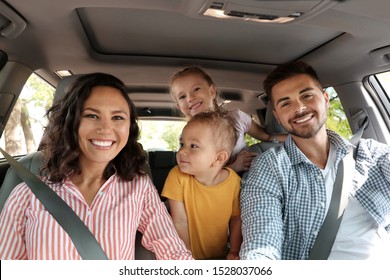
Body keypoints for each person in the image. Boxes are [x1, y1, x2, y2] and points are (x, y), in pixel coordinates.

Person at [0, 73, 193, 260]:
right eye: (92, 115)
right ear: (70, 123)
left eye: (118, 117)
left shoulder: (139, 189)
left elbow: (173, 252)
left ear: (129, 128)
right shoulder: (26, 194)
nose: (106, 129)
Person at [240, 60, 390, 260]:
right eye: (286, 103)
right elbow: (262, 242)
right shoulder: (269, 168)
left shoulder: (371, 154)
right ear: (277, 116)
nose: (300, 108)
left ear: (326, 99)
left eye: (307, 95)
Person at [170, 66, 286, 173]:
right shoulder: (186, 138)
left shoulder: (237, 118)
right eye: (182, 96)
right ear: (179, 107)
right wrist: (234, 167)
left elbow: (268, 137)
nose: (190, 98)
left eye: (196, 89)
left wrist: (298, 139)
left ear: (212, 92)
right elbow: (197, 177)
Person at [161, 111, 242, 260]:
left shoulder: (234, 182)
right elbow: (179, 221)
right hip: (186, 254)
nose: (182, 151)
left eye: (193, 146)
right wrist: (187, 257)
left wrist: (234, 251)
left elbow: (236, 219)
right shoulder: (177, 176)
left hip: (220, 255)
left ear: (219, 158)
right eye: (182, 144)